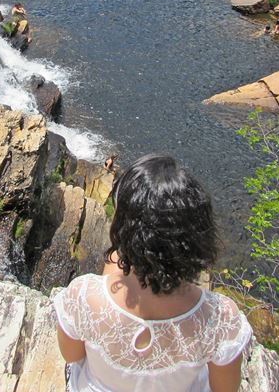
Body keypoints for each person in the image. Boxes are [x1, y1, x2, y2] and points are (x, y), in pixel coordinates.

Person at [53, 155, 252, 392]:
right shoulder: (219, 317)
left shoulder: (85, 296)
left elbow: (72, 355)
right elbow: (225, 389)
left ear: (124, 230)